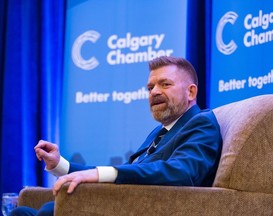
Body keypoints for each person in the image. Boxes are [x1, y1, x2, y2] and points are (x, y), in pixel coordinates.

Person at [10, 56, 222, 216]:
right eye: (150, 87)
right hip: (127, 203)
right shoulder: (159, 132)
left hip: (152, 208)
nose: (154, 92)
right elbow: (131, 171)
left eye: (165, 84)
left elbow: (182, 172)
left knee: (49, 210)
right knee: (23, 211)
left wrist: (104, 174)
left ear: (191, 92)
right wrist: (60, 165)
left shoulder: (201, 124)